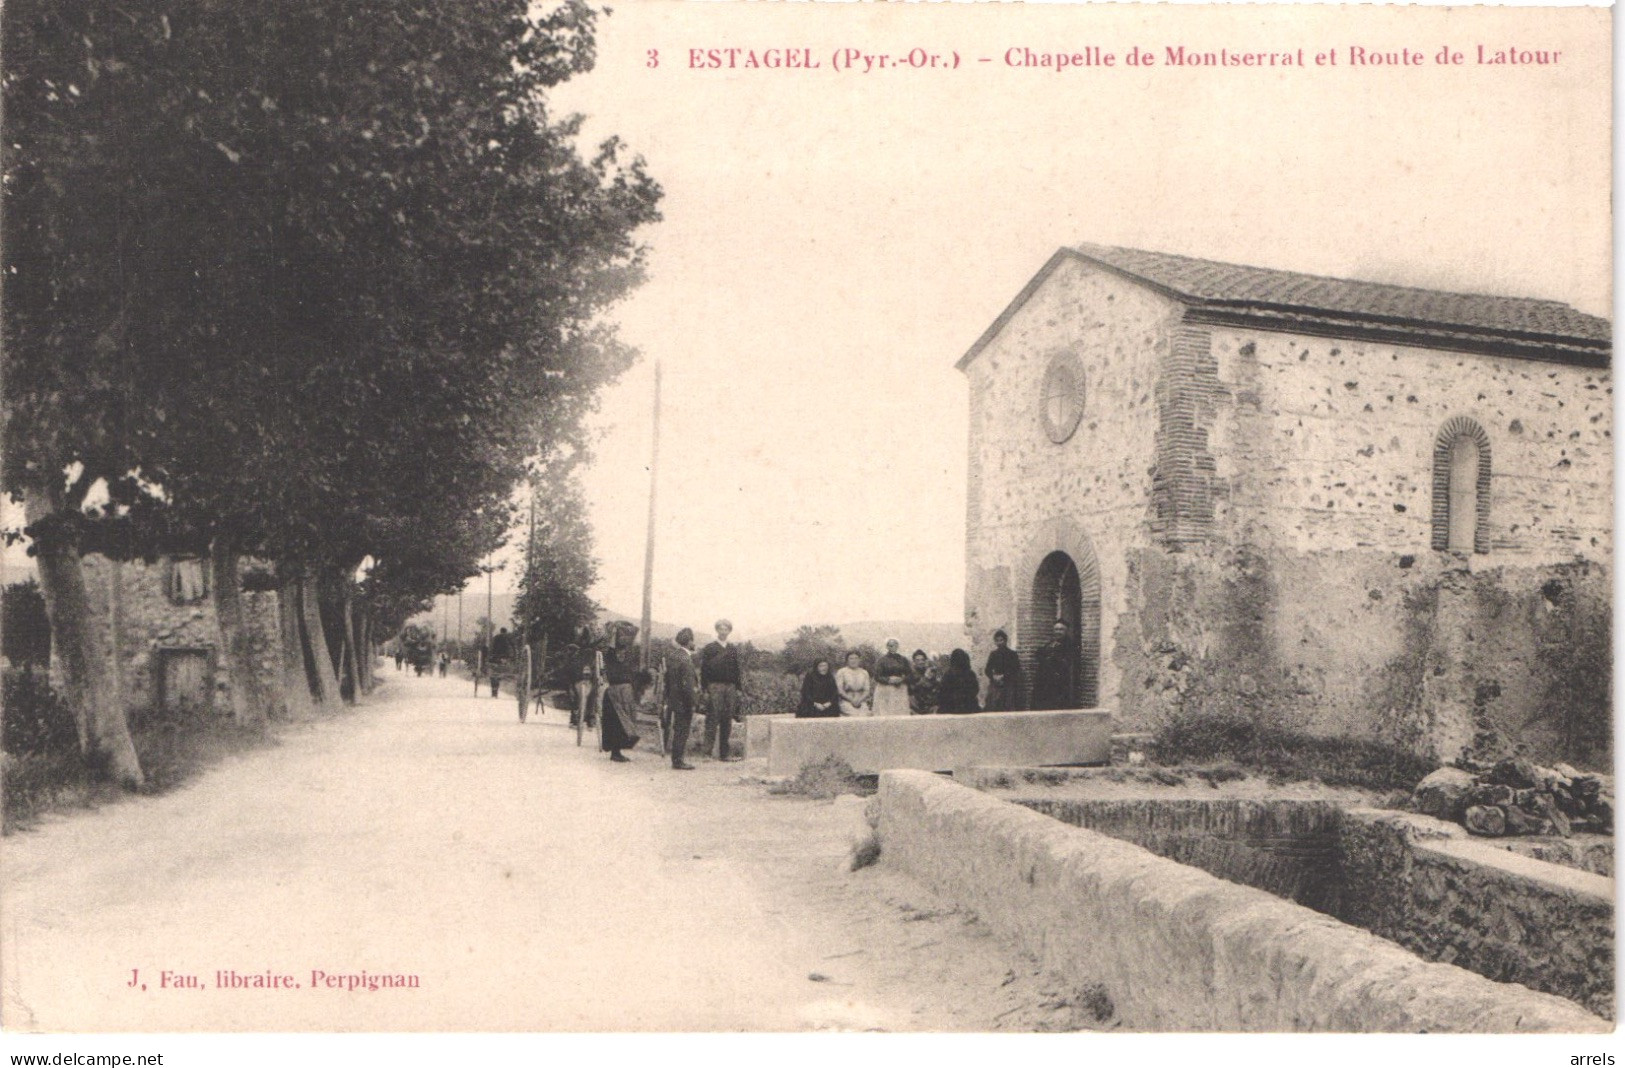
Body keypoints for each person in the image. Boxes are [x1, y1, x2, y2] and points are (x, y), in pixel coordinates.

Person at [699, 619, 743, 761]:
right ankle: (707, 753)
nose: (723, 631)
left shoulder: (732, 649)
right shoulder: (710, 648)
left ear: (729, 631)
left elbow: (737, 670)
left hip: (730, 687)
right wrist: (705, 688)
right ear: (717, 630)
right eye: (721, 629)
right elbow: (704, 669)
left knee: (727, 720)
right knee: (712, 718)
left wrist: (738, 688)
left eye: (726, 629)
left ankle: (725, 754)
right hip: (714, 686)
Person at [599, 622, 641, 762]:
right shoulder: (610, 654)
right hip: (615, 691)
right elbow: (611, 644)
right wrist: (615, 629)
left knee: (624, 721)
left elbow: (634, 632)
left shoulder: (628, 653)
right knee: (617, 721)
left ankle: (617, 752)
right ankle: (615, 753)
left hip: (624, 691)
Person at [664, 628, 700, 769]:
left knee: (678, 728)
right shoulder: (685, 659)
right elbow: (688, 685)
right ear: (689, 641)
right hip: (684, 700)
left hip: (674, 699)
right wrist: (692, 701)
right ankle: (678, 760)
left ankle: (677, 759)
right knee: (682, 729)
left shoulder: (673, 656)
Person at [1030, 620, 1078, 711]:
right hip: (1044, 680)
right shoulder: (1050, 643)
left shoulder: (1070, 645)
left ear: (1066, 631)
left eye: (1061, 629)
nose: (1058, 632)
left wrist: (1052, 656)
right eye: (1056, 629)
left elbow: (1066, 661)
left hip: (1058, 681)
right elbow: (1039, 654)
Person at [983, 629, 1023, 712]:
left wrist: (1003, 676)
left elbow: (1016, 669)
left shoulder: (1012, 654)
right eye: (997, 641)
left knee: (1008, 706)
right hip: (996, 685)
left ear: (1005, 641)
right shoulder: (993, 654)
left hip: (1009, 684)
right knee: (994, 706)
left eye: (1001, 640)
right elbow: (987, 669)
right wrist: (994, 677)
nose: (999, 643)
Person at [872, 639, 911, 717]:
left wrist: (902, 680)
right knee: (886, 710)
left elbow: (909, 674)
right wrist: (888, 680)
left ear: (897, 646)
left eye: (895, 645)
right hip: (886, 688)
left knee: (900, 711)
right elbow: (877, 676)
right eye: (890, 645)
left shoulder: (903, 660)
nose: (893, 647)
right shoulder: (882, 660)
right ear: (887, 647)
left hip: (900, 688)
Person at [570, 628, 599, 729]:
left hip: (590, 677)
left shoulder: (594, 652)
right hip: (578, 676)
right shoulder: (576, 652)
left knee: (593, 694)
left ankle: (590, 719)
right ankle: (575, 718)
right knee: (575, 695)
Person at [938, 648, 982, 714]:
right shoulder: (970, 673)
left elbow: (943, 692)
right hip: (966, 706)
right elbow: (975, 690)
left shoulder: (948, 674)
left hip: (953, 707)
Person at [836, 650, 872, 717]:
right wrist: (852, 700)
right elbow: (840, 690)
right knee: (853, 716)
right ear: (847, 660)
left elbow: (867, 690)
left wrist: (859, 700)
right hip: (846, 702)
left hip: (861, 702)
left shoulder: (864, 672)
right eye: (851, 658)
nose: (854, 660)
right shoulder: (842, 672)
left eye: (856, 658)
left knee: (866, 716)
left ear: (859, 660)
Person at [908, 649, 939, 715]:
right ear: (914, 662)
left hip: (930, 707)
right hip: (916, 708)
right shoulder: (911, 674)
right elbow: (913, 689)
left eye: (922, 660)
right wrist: (925, 678)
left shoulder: (930, 672)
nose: (921, 662)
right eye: (918, 660)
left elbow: (936, 688)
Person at [489, 627, 515, 698]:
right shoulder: (508, 638)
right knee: (498, 673)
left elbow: (492, 647)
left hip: (495, 657)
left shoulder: (496, 637)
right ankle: (495, 690)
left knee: (494, 675)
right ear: (505, 632)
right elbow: (513, 647)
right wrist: (513, 656)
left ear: (500, 631)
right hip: (506, 657)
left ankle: (494, 692)